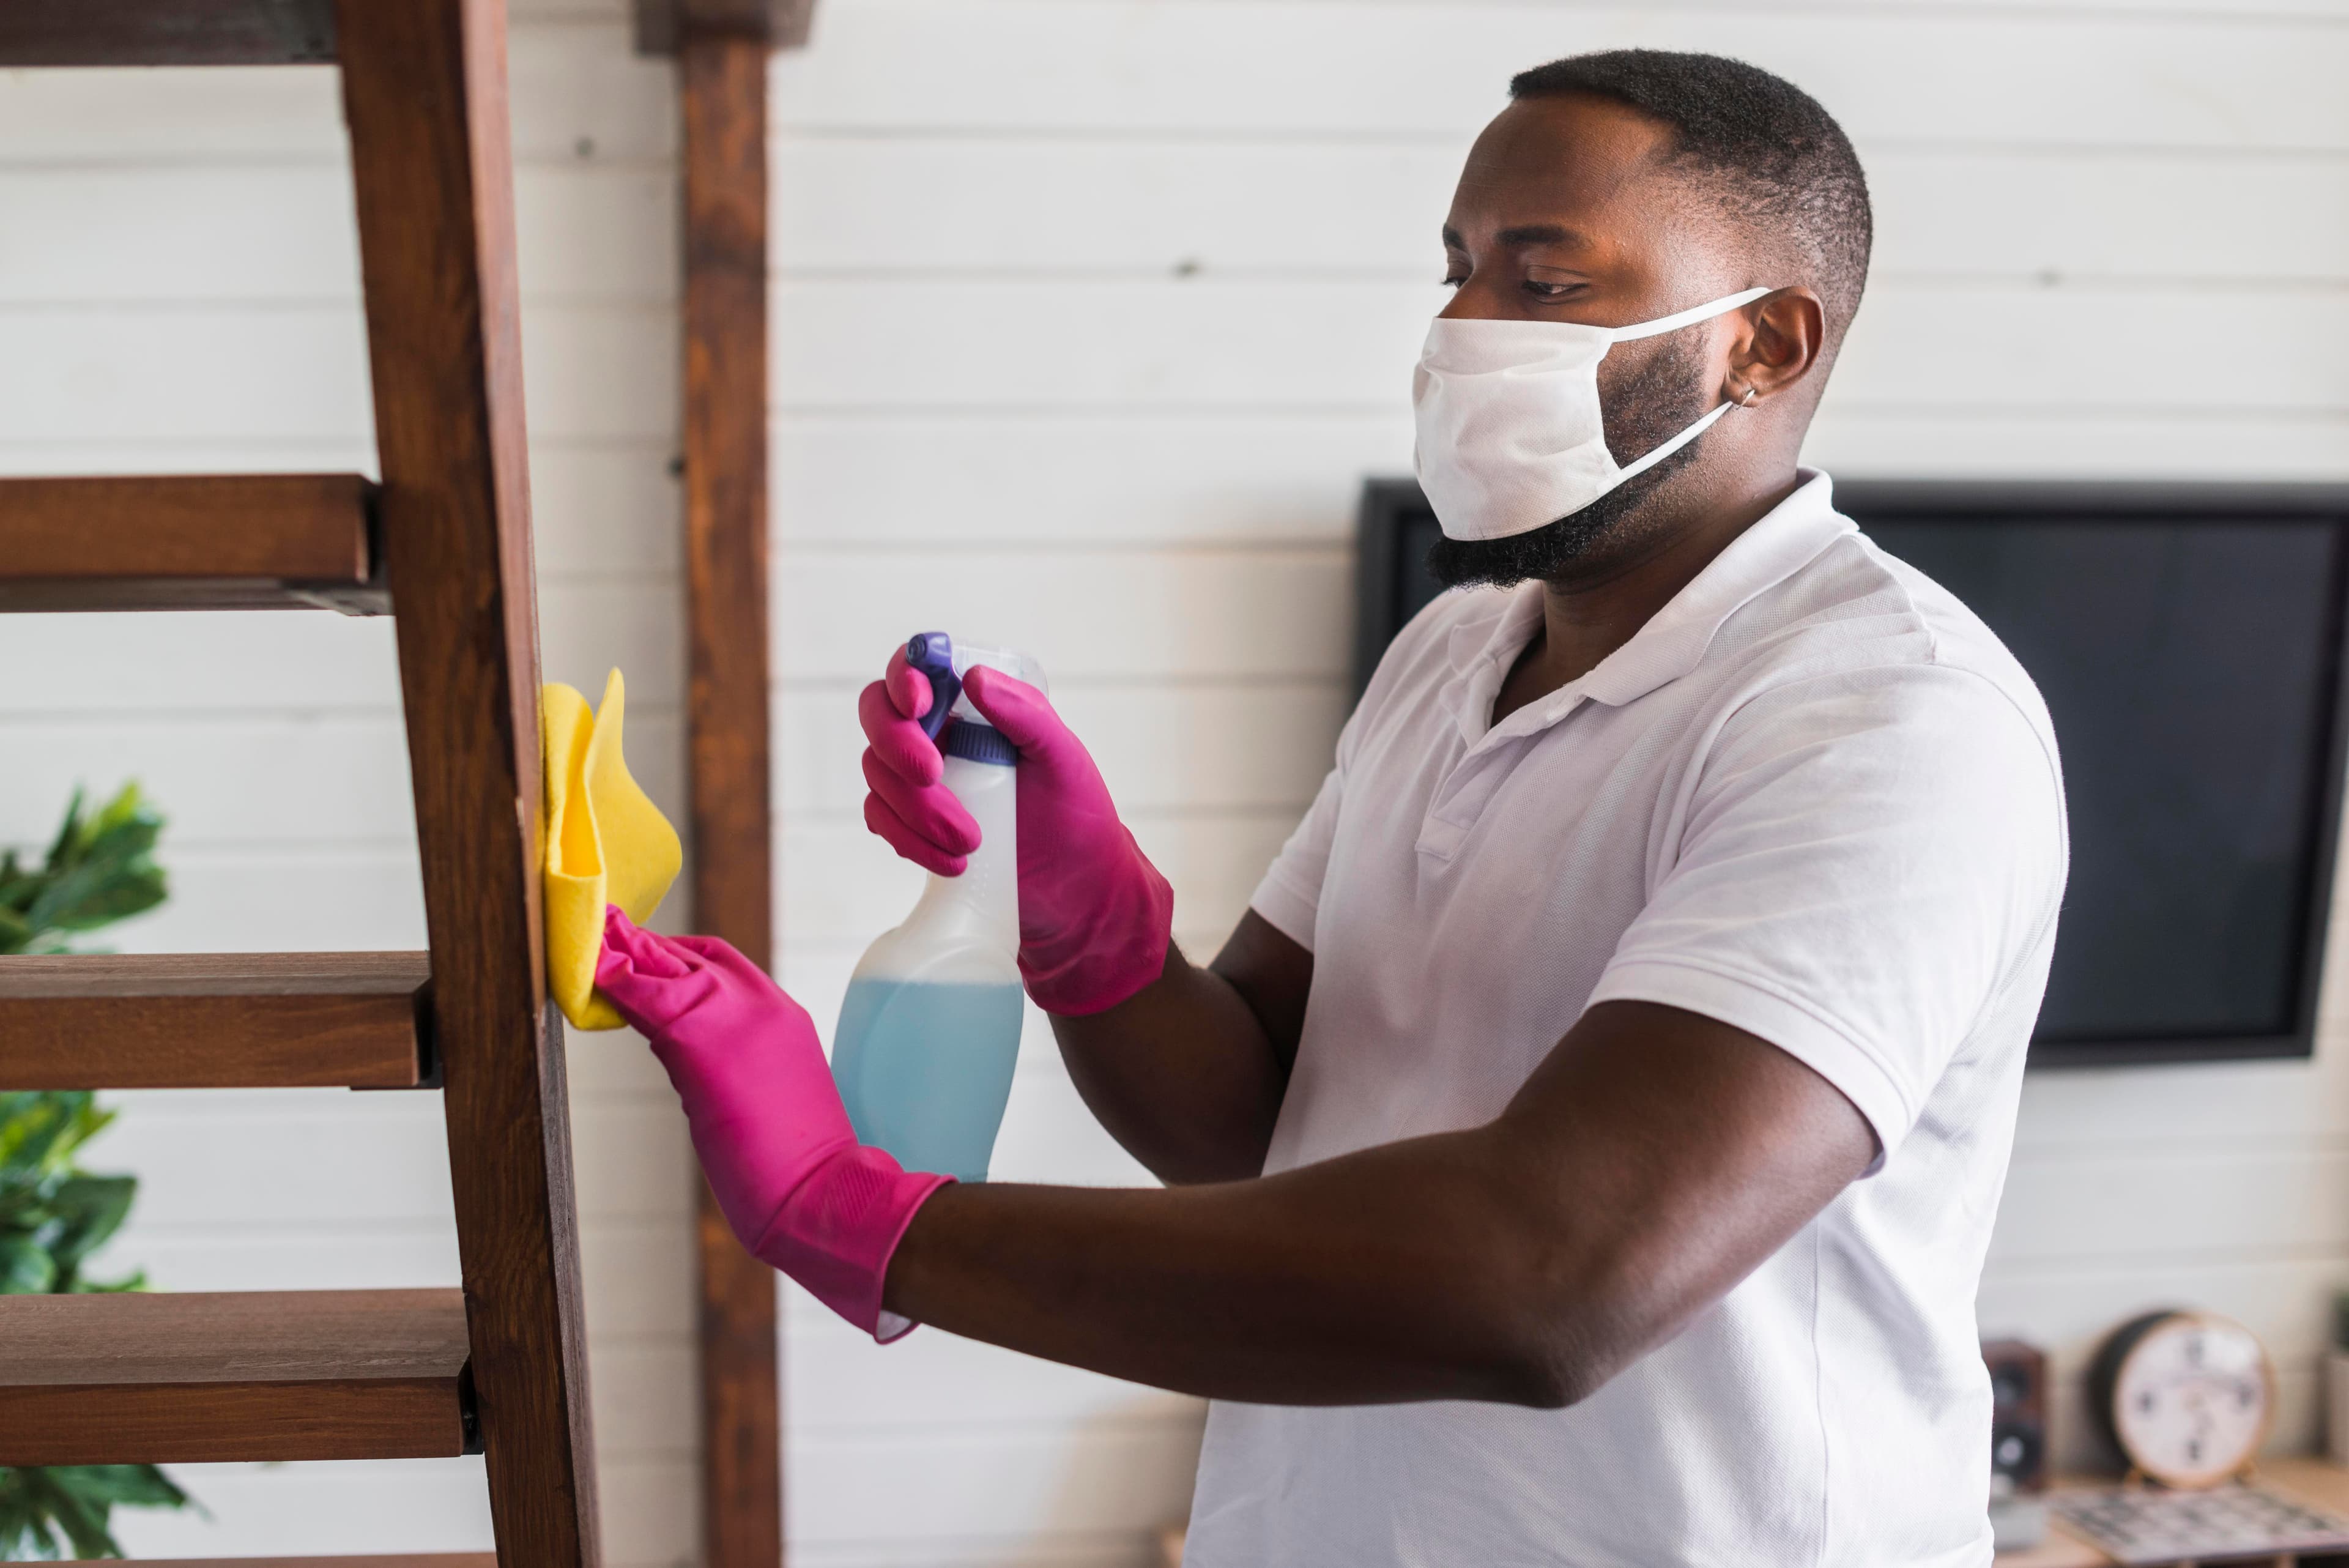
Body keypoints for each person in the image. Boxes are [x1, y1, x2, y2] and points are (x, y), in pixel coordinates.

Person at [598, 47, 2068, 1568]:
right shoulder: (1454, 650)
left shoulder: (1887, 719)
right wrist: (1089, 928)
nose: (1462, 330)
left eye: (1546, 284)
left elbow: (1550, 1279)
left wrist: (867, 1216)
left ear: (1763, 344)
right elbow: (1247, 1129)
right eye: (1458, 269)